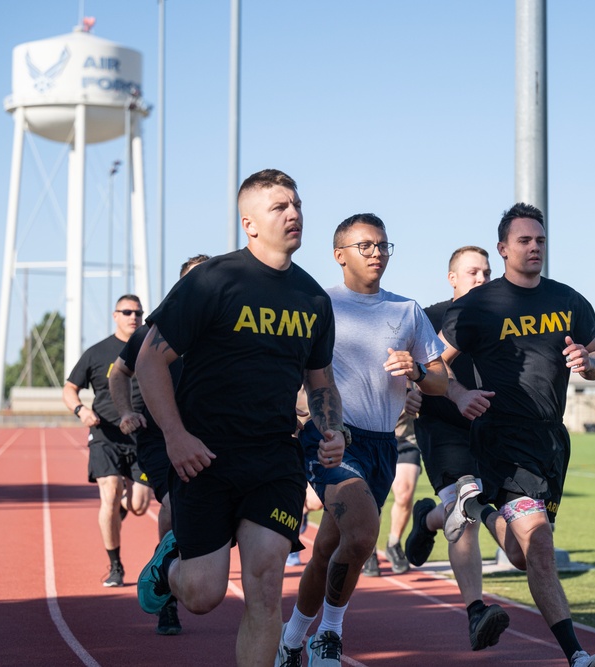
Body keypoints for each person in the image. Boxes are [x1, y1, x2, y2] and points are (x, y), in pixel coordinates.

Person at [133, 169, 348, 667]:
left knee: (266, 586)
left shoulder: (314, 298)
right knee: (203, 594)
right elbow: (149, 361)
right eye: (279, 207)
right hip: (204, 457)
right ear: (249, 223)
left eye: (296, 204)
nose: (293, 213)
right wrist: (176, 437)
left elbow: (320, 381)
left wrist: (332, 430)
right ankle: (170, 563)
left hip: (274, 459)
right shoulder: (213, 281)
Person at [438, 204, 595, 667]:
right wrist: (457, 395)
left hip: (552, 441)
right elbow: (436, 362)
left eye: (540, 241)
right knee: (541, 548)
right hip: (502, 440)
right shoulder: (478, 305)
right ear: (503, 248)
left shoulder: (568, 300)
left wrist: (586, 362)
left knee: (521, 554)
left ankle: (471, 506)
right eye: (524, 241)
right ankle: (577, 655)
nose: (534, 248)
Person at [276, 213, 448, 667]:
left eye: (383, 246)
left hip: (383, 443)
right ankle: (328, 635)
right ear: (340, 255)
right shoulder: (318, 304)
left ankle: (291, 637)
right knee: (362, 535)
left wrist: (414, 370)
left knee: (330, 548)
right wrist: (299, 416)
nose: (377, 254)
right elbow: (294, 368)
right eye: (366, 246)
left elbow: (439, 379)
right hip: (331, 436)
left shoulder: (406, 310)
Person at [403, 245, 511, 651]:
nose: (481, 279)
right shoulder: (428, 318)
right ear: (452, 278)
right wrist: (408, 393)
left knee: (465, 505)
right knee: (465, 506)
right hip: (441, 425)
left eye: (486, 273)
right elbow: (404, 367)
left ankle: (427, 519)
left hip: (487, 426)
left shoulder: (500, 319)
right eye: (472, 273)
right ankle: (476, 611)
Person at [108, 254, 209, 634]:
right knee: (171, 503)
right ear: (181, 286)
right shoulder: (154, 330)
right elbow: (120, 373)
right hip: (160, 435)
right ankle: (166, 592)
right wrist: (124, 412)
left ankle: (175, 564)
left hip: (209, 436)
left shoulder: (226, 327)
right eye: (196, 280)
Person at [62, 294, 153, 587]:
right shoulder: (96, 353)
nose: (133, 317)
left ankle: (111, 519)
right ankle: (115, 566)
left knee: (138, 505)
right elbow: (69, 388)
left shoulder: (151, 349)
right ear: (115, 315)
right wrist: (81, 410)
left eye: (138, 312)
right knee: (110, 491)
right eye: (127, 312)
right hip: (105, 434)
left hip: (142, 436)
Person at [361, 408, 420, 577]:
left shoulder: (411, 380)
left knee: (405, 493)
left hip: (406, 439)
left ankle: (393, 544)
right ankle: (369, 552)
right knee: (372, 499)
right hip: (371, 439)